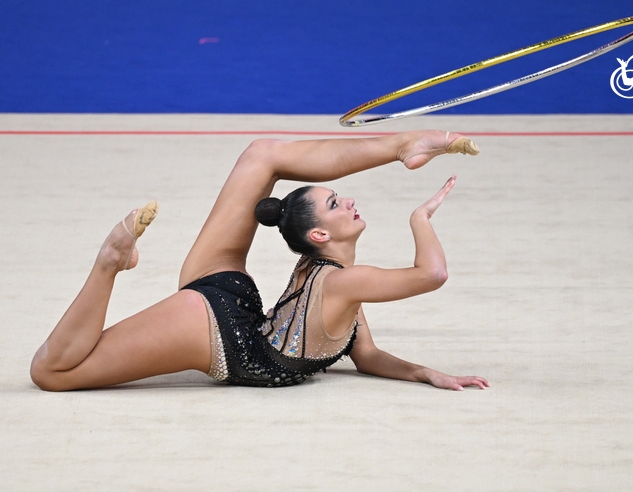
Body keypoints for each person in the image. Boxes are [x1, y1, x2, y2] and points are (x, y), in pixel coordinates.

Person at [30, 130, 490, 391]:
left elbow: (365, 356)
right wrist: (419, 218)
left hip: (232, 302)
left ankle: (403, 146)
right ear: (319, 235)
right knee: (52, 373)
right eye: (335, 202)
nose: (349, 201)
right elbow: (432, 274)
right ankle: (109, 262)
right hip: (222, 335)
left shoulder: (340, 278)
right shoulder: (344, 283)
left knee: (261, 154)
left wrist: (424, 373)